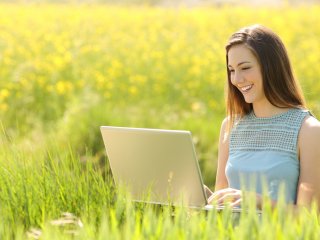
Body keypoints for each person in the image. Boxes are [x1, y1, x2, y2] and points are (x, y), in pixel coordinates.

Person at [207, 24, 320, 210]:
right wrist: (198, 196)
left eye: (245, 68)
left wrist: (257, 201)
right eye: (231, 70)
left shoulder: (309, 131)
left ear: (271, 67)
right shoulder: (230, 126)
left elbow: (310, 217)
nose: (236, 79)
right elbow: (222, 202)